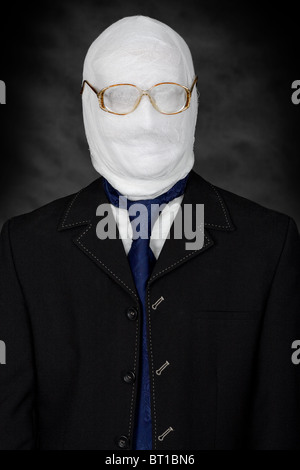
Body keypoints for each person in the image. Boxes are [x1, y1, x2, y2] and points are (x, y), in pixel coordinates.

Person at [0, 15, 299, 450]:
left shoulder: (270, 245)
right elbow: (9, 425)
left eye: (168, 95)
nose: (146, 122)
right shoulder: (24, 249)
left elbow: (281, 423)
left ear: (195, 100)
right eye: (119, 96)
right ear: (87, 102)